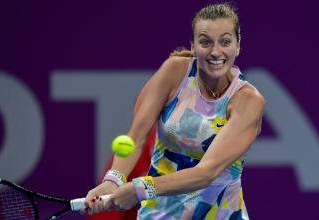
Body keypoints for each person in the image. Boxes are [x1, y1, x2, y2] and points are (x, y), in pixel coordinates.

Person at [84, 2, 265, 219]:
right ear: (194, 45)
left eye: (225, 41)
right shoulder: (173, 72)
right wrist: (113, 180)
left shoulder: (248, 101)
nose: (216, 51)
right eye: (205, 42)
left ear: (237, 45)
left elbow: (206, 173)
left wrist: (140, 188)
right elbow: (136, 139)